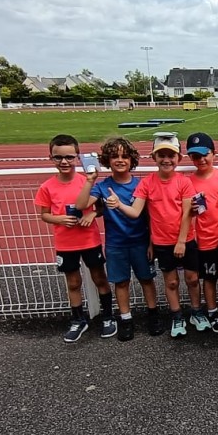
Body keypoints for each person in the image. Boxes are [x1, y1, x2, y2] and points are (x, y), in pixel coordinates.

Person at [112, 132, 207, 337]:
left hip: (186, 239)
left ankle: (196, 312)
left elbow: (188, 213)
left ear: (178, 158)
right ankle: (177, 316)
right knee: (171, 281)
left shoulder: (184, 183)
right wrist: (118, 204)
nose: (166, 159)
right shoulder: (147, 183)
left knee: (192, 278)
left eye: (171, 155)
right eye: (161, 155)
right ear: (154, 157)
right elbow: (136, 211)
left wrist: (181, 241)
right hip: (163, 243)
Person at [75, 136, 161, 341]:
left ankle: (153, 316)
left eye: (124, 156)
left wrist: (151, 243)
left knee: (147, 280)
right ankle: (126, 319)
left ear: (132, 160)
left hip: (141, 242)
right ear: (107, 160)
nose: (120, 160)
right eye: (114, 156)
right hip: (116, 245)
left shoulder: (142, 185)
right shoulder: (103, 187)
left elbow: (150, 217)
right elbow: (80, 205)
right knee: (121, 283)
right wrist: (89, 180)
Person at [34, 133, 116, 343]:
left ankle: (108, 316)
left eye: (69, 157)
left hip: (89, 240)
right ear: (51, 157)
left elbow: (99, 207)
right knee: (73, 282)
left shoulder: (86, 182)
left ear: (78, 157)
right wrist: (59, 219)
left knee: (99, 278)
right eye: (58, 157)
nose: (64, 162)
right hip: (65, 242)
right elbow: (44, 214)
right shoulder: (47, 187)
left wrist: (90, 214)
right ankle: (78, 319)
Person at [186, 132, 218, 334]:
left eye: (205, 154)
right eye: (196, 157)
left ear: (214, 153)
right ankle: (213, 311)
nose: (201, 160)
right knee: (210, 277)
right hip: (205, 239)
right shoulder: (188, 183)